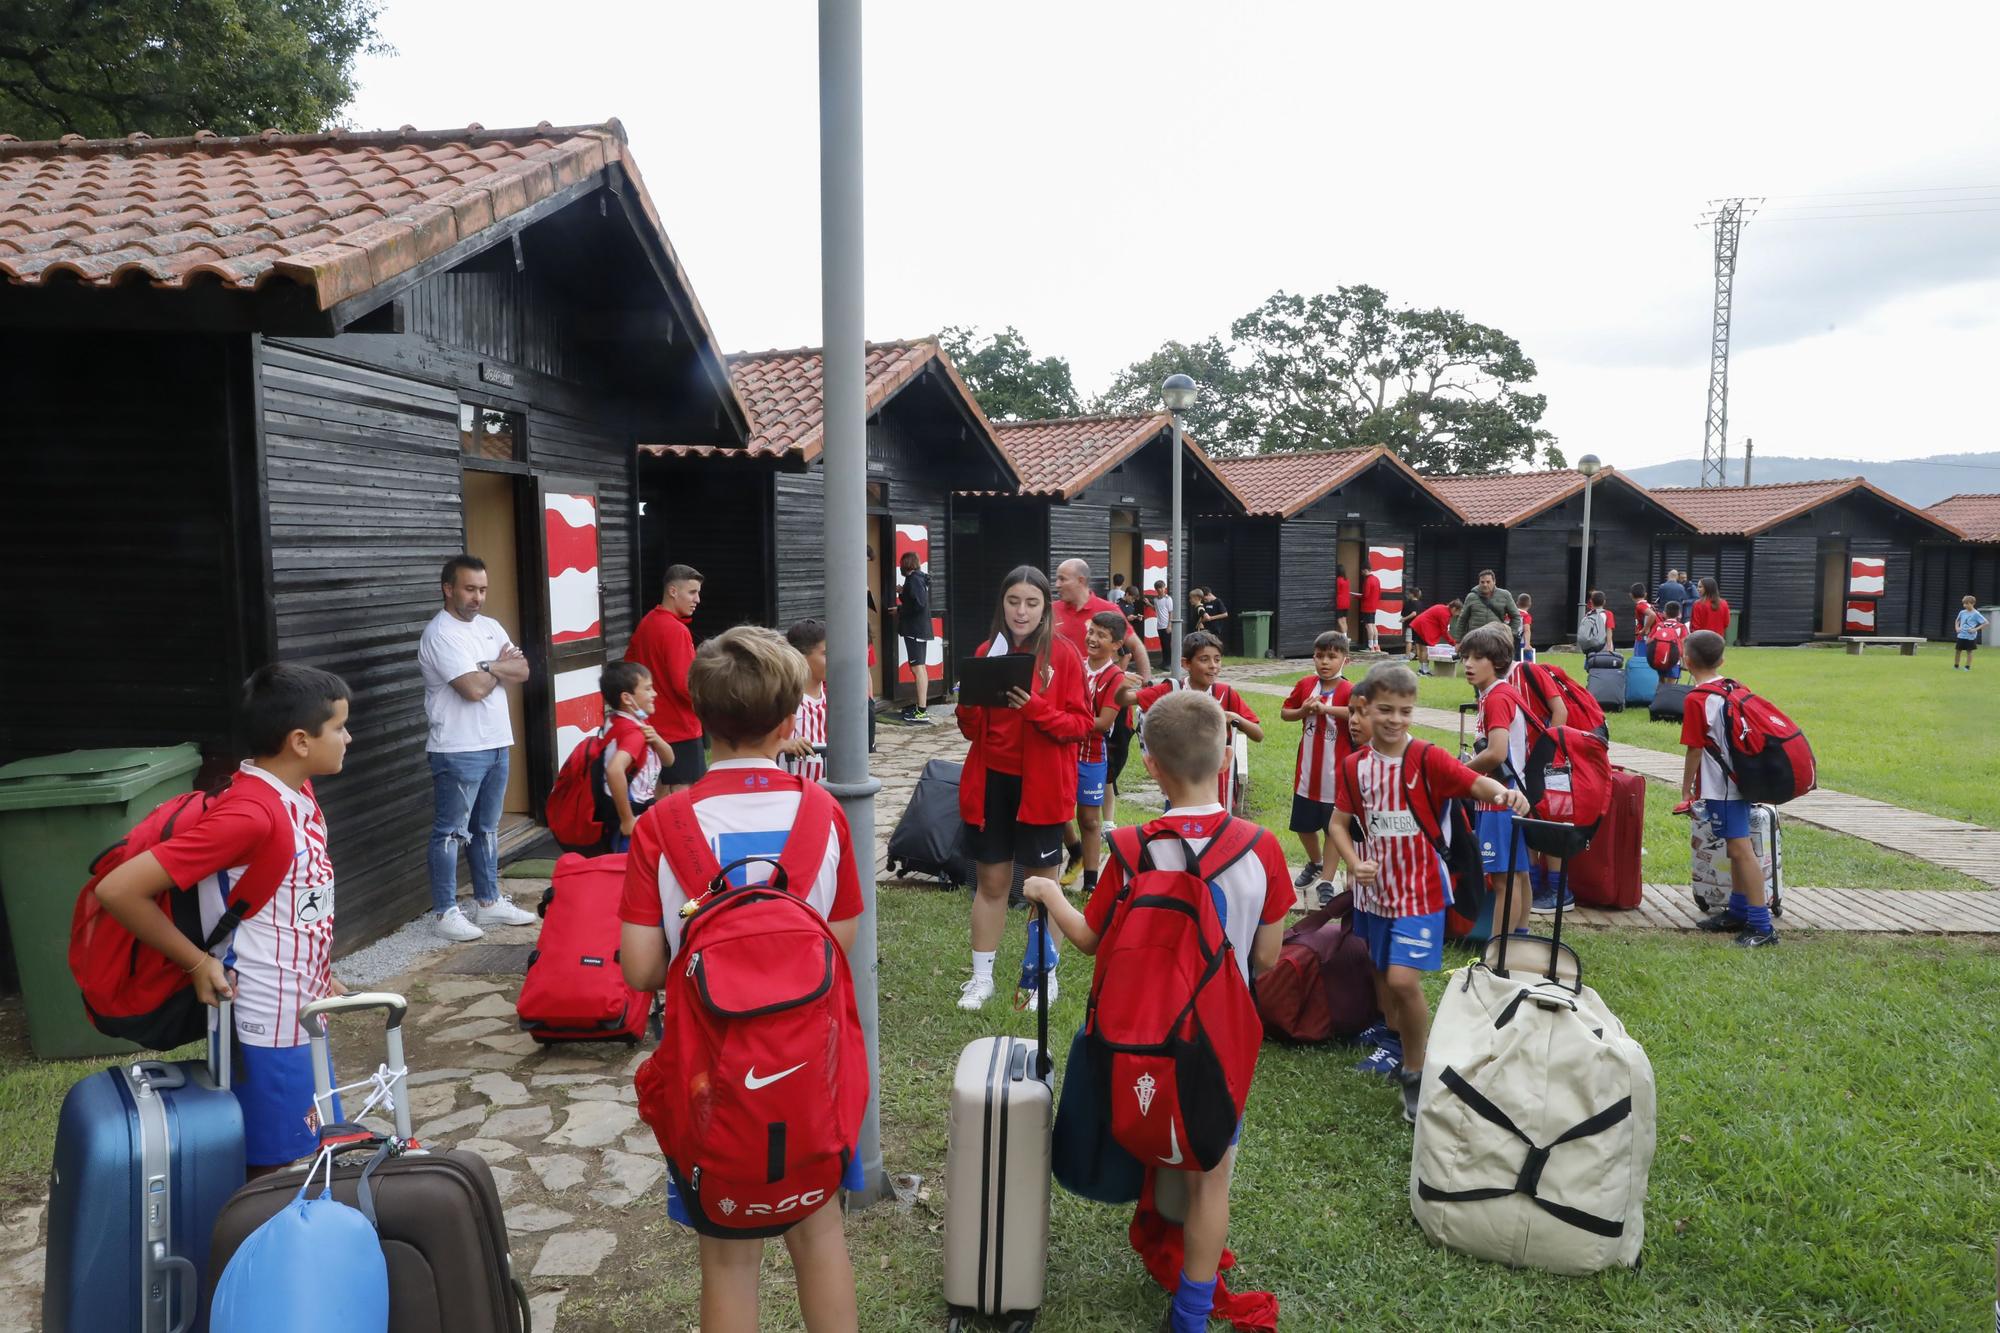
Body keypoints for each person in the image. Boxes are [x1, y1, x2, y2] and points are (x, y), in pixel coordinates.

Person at [617, 626, 865, 1333]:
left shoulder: (663, 825)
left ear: (697, 717)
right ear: (791, 724)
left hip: (708, 1083)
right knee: (821, 1237)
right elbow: (836, 942)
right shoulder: (823, 813)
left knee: (726, 1261)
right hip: (807, 1074)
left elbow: (639, 968)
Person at [1022, 690, 1288, 1333]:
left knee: (1160, 1130)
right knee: (1211, 1174)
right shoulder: (1262, 849)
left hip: (1140, 1034)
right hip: (1223, 1040)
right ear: (1227, 753)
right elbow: (1269, 963)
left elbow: (1089, 939)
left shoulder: (1131, 847)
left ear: (1148, 765)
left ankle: (1162, 1239)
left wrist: (1049, 892)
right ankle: (1192, 1312)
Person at [94, 664, 355, 1174]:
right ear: (300, 741)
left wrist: (321, 973)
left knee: (316, 1147)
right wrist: (195, 965)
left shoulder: (296, 792)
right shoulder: (249, 814)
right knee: (281, 1169)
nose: (349, 737)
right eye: (341, 727)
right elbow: (118, 889)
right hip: (267, 1023)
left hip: (302, 1006)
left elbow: (293, 900)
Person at [1330, 663, 1528, 1123]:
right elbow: (1339, 824)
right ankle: (1397, 1042)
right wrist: (1354, 862)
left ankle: (1417, 1073)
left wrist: (1504, 795)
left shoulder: (1427, 758)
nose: (1395, 719)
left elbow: (1475, 782)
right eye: (1385, 710)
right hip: (1377, 892)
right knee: (1383, 974)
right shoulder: (1353, 767)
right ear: (1364, 708)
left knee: (1403, 980)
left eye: (1404, 710)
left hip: (1422, 891)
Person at [956, 566, 1094, 1012]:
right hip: (992, 783)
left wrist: (1035, 708)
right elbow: (970, 730)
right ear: (1002, 604)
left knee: (1041, 886)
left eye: (1031, 603)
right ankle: (981, 979)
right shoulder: (986, 651)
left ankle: (1042, 976)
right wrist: (970, 702)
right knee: (992, 881)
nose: (1021, 611)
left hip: (1042, 787)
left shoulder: (1065, 656)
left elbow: (1080, 725)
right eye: (1013, 601)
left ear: (1045, 607)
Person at [419, 555, 538, 942]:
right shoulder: (440, 634)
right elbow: (470, 690)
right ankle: (445, 912)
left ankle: (487, 903)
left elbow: (523, 670)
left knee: (486, 829)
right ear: (448, 588)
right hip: (457, 747)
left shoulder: (490, 626)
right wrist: (495, 667)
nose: (477, 597)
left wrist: (484, 666)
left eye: (482, 589)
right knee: (451, 832)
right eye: (469, 589)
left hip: (497, 742)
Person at [1679, 629, 1777, 948]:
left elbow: (1695, 749)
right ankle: (1737, 911)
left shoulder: (1697, 699)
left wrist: (1686, 790)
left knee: (1739, 849)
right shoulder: (1733, 687)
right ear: (1721, 659)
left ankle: (1761, 926)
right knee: (1736, 847)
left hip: (1722, 786)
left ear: (1686, 660)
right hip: (1744, 778)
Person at [1460, 625, 1556, 922]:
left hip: (1499, 796)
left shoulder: (1497, 697)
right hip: (1513, 795)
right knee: (1519, 874)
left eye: (1478, 658)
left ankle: (1498, 951)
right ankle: (1518, 942)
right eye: (1465, 657)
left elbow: (1497, 753)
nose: (1468, 664)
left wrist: (1458, 772)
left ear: (1498, 662)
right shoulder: (1503, 692)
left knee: (1504, 880)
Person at [1060, 610, 1143, 893]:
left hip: (1092, 754)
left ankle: (1091, 884)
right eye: (1091, 631)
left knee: (1090, 819)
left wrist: (1060, 721)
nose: (1092, 639)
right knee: (1055, 810)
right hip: (1061, 751)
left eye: (1101, 635)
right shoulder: (1074, 664)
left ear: (1117, 644)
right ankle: (1075, 850)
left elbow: (1104, 722)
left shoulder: (1116, 677)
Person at [1137, 631, 1264, 810]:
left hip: (1219, 783)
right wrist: (1121, 687)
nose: (1213, 666)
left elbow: (1258, 735)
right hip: (1180, 778)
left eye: (1217, 660)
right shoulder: (1173, 689)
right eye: (1204, 660)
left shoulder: (1226, 693)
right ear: (1186, 663)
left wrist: (1236, 718)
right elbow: (1130, 699)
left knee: (1220, 833)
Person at [1280, 631, 1353, 897]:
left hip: (1337, 777)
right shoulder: (1305, 685)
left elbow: (1360, 714)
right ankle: (1316, 862)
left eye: (1332, 657)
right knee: (1302, 825)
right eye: (1320, 656)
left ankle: (1327, 880)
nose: (1325, 662)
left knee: (1334, 828)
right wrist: (1302, 711)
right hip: (1307, 773)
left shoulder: (1350, 690)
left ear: (1346, 659)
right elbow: (1285, 712)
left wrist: (1327, 710)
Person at [626, 564, 707, 793]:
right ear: (673, 591)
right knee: (685, 796)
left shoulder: (646, 623)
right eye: (692, 592)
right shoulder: (676, 630)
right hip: (681, 728)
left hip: (652, 727)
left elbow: (629, 670)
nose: (697, 599)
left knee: (657, 795)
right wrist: (711, 704)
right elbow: (685, 685)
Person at [598, 661, 674, 853]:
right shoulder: (632, 733)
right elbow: (614, 770)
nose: (654, 694)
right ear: (627, 698)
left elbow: (669, 760)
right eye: (648, 689)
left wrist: (657, 740)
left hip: (631, 810)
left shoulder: (626, 722)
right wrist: (627, 820)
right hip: (630, 816)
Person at [1055, 559, 1152, 678]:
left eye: (1062, 579)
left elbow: (1136, 646)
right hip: (1057, 692)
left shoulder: (1108, 609)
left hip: (1097, 693)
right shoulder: (1051, 610)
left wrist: (1147, 684)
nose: (1057, 585)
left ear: (1081, 580)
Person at [782, 619, 830, 781]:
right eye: (826, 654)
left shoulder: (834, 702)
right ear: (800, 657)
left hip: (828, 795)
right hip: (795, 794)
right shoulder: (783, 702)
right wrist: (785, 745)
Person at [893, 550, 935, 725]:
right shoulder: (917, 579)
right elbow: (914, 600)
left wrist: (900, 609)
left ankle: (921, 710)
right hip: (919, 630)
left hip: (915, 630)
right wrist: (902, 593)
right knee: (920, 668)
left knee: (918, 670)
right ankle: (920, 707)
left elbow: (919, 604)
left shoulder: (914, 579)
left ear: (905, 564)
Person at [1450, 569, 1521, 649]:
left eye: (1488, 582)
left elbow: (1516, 616)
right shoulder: (1471, 597)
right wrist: (1458, 641)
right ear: (1479, 582)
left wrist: (1509, 635)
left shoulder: (1505, 595)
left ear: (1494, 582)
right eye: (1482, 582)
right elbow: (1462, 619)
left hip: (1496, 639)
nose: (1485, 585)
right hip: (1475, 639)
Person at [1407, 598, 1460, 675]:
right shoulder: (1446, 614)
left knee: (1421, 649)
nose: (1458, 614)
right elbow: (1444, 631)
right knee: (1425, 650)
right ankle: (1424, 671)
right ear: (1454, 609)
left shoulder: (1441, 607)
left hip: (1417, 624)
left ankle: (1421, 670)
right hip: (1423, 627)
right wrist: (1453, 643)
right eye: (1458, 611)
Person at [1955, 596, 1989, 670]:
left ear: (1973, 603)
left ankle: (1967, 667)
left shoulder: (1976, 614)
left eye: (1967, 604)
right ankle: (1956, 666)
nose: (1965, 605)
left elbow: (1986, 623)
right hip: (1961, 635)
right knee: (1958, 651)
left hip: (1970, 636)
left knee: (1969, 651)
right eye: (1964, 604)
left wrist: (1975, 629)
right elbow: (1957, 620)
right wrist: (1957, 628)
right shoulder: (1962, 612)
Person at [1360, 565, 1383, 652]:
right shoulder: (1376, 579)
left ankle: (1370, 646)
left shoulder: (1368, 580)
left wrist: (1358, 597)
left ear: (1365, 570)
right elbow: (1379, 592)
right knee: (1373, 625)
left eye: (1362, 571)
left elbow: (1365, 595)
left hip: (1367, 606)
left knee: (1368, 625)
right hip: (1374, 605)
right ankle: (1376, 645)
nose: (1362, 573)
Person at [1515, 592, 1538, 662]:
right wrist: (1527, 644)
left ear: (1517, 603)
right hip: (1520, 643)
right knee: (1528, 662)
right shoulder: (1525, 616)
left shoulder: (1509, 614)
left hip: (1508, 642)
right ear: (1529, 604)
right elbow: (1527, 630)